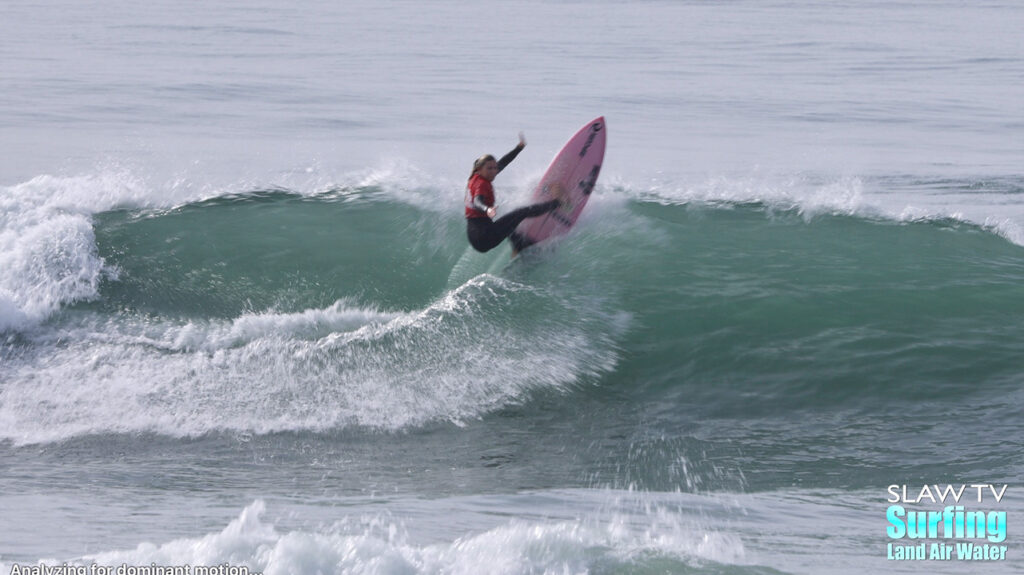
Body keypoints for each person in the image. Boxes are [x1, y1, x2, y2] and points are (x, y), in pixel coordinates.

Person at [465, 133, 561, 253]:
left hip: (477, 237)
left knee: (511, 222)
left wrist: (518, 148)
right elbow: (477, 201)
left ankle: (519, 247)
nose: (494, 171)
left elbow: (503, 163)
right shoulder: (481, 184)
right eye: (490, 168)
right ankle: (557, 203)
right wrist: (486, 209)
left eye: (494, 168)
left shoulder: (476, 177)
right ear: (479, 169)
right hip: (484, 236)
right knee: (521, 212)